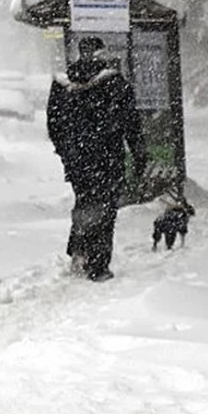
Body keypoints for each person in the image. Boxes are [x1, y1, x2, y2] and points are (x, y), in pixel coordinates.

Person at [47, 36, 147, 282]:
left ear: (80, 53)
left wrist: (66, 152)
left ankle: (79, 251)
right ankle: (98, 265)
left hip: (78, 160)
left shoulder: (62, 84)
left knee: (84, 202)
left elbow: (53, 123)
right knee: (105, 209)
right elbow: (131, 123)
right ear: (102, 53)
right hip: (108, 158)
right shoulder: (115, 83)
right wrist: (138, 154)